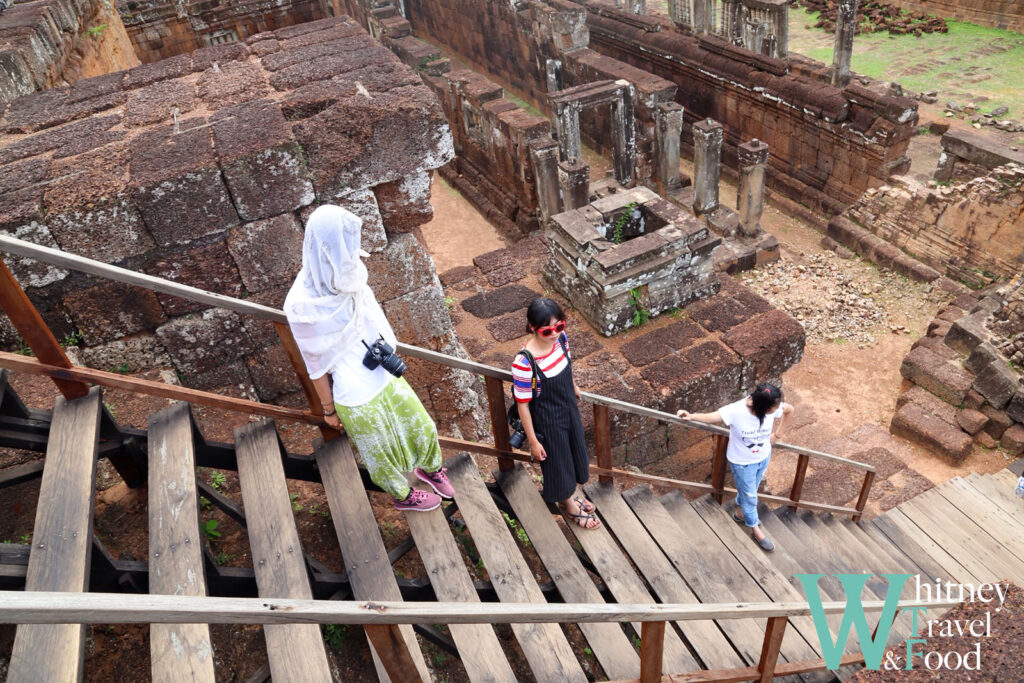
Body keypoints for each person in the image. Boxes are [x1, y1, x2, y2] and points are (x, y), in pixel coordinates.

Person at [284, 205, 454, 512]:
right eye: (345, 245)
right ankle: (403, 496)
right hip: (353, 393)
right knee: (380, 453)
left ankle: (429, 468)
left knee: (423, 426)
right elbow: (316, 365)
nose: (351, 252)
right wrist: (328, 410)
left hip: (383, 373)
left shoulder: (350, 277)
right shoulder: (301, 306)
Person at [512, 298, 599, 529]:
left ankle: (570, 496)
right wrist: (532, 442)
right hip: (548, 419)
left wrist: (574, 387)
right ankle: (569, 506)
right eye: (547, 330)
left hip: (568, 407)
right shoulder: (524, 361)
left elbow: (567, 366)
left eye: (559, 327)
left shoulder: (561, 340)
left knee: (575, 452)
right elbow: (522, 404)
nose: (554, 333)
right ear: (532, 327)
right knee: (558, 462)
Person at [677, 383, 793, 551]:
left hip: (763, 457)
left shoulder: (770, 405)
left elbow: (790, 410)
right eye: (773, 409)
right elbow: (712, 417)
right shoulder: (736, 411)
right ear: (761, 407)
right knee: (751, 496)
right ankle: (754, 527)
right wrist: (691, 416)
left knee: (750, 490)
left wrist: (778, 434)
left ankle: (740, 513)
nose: (776, 410)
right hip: (742, 463)